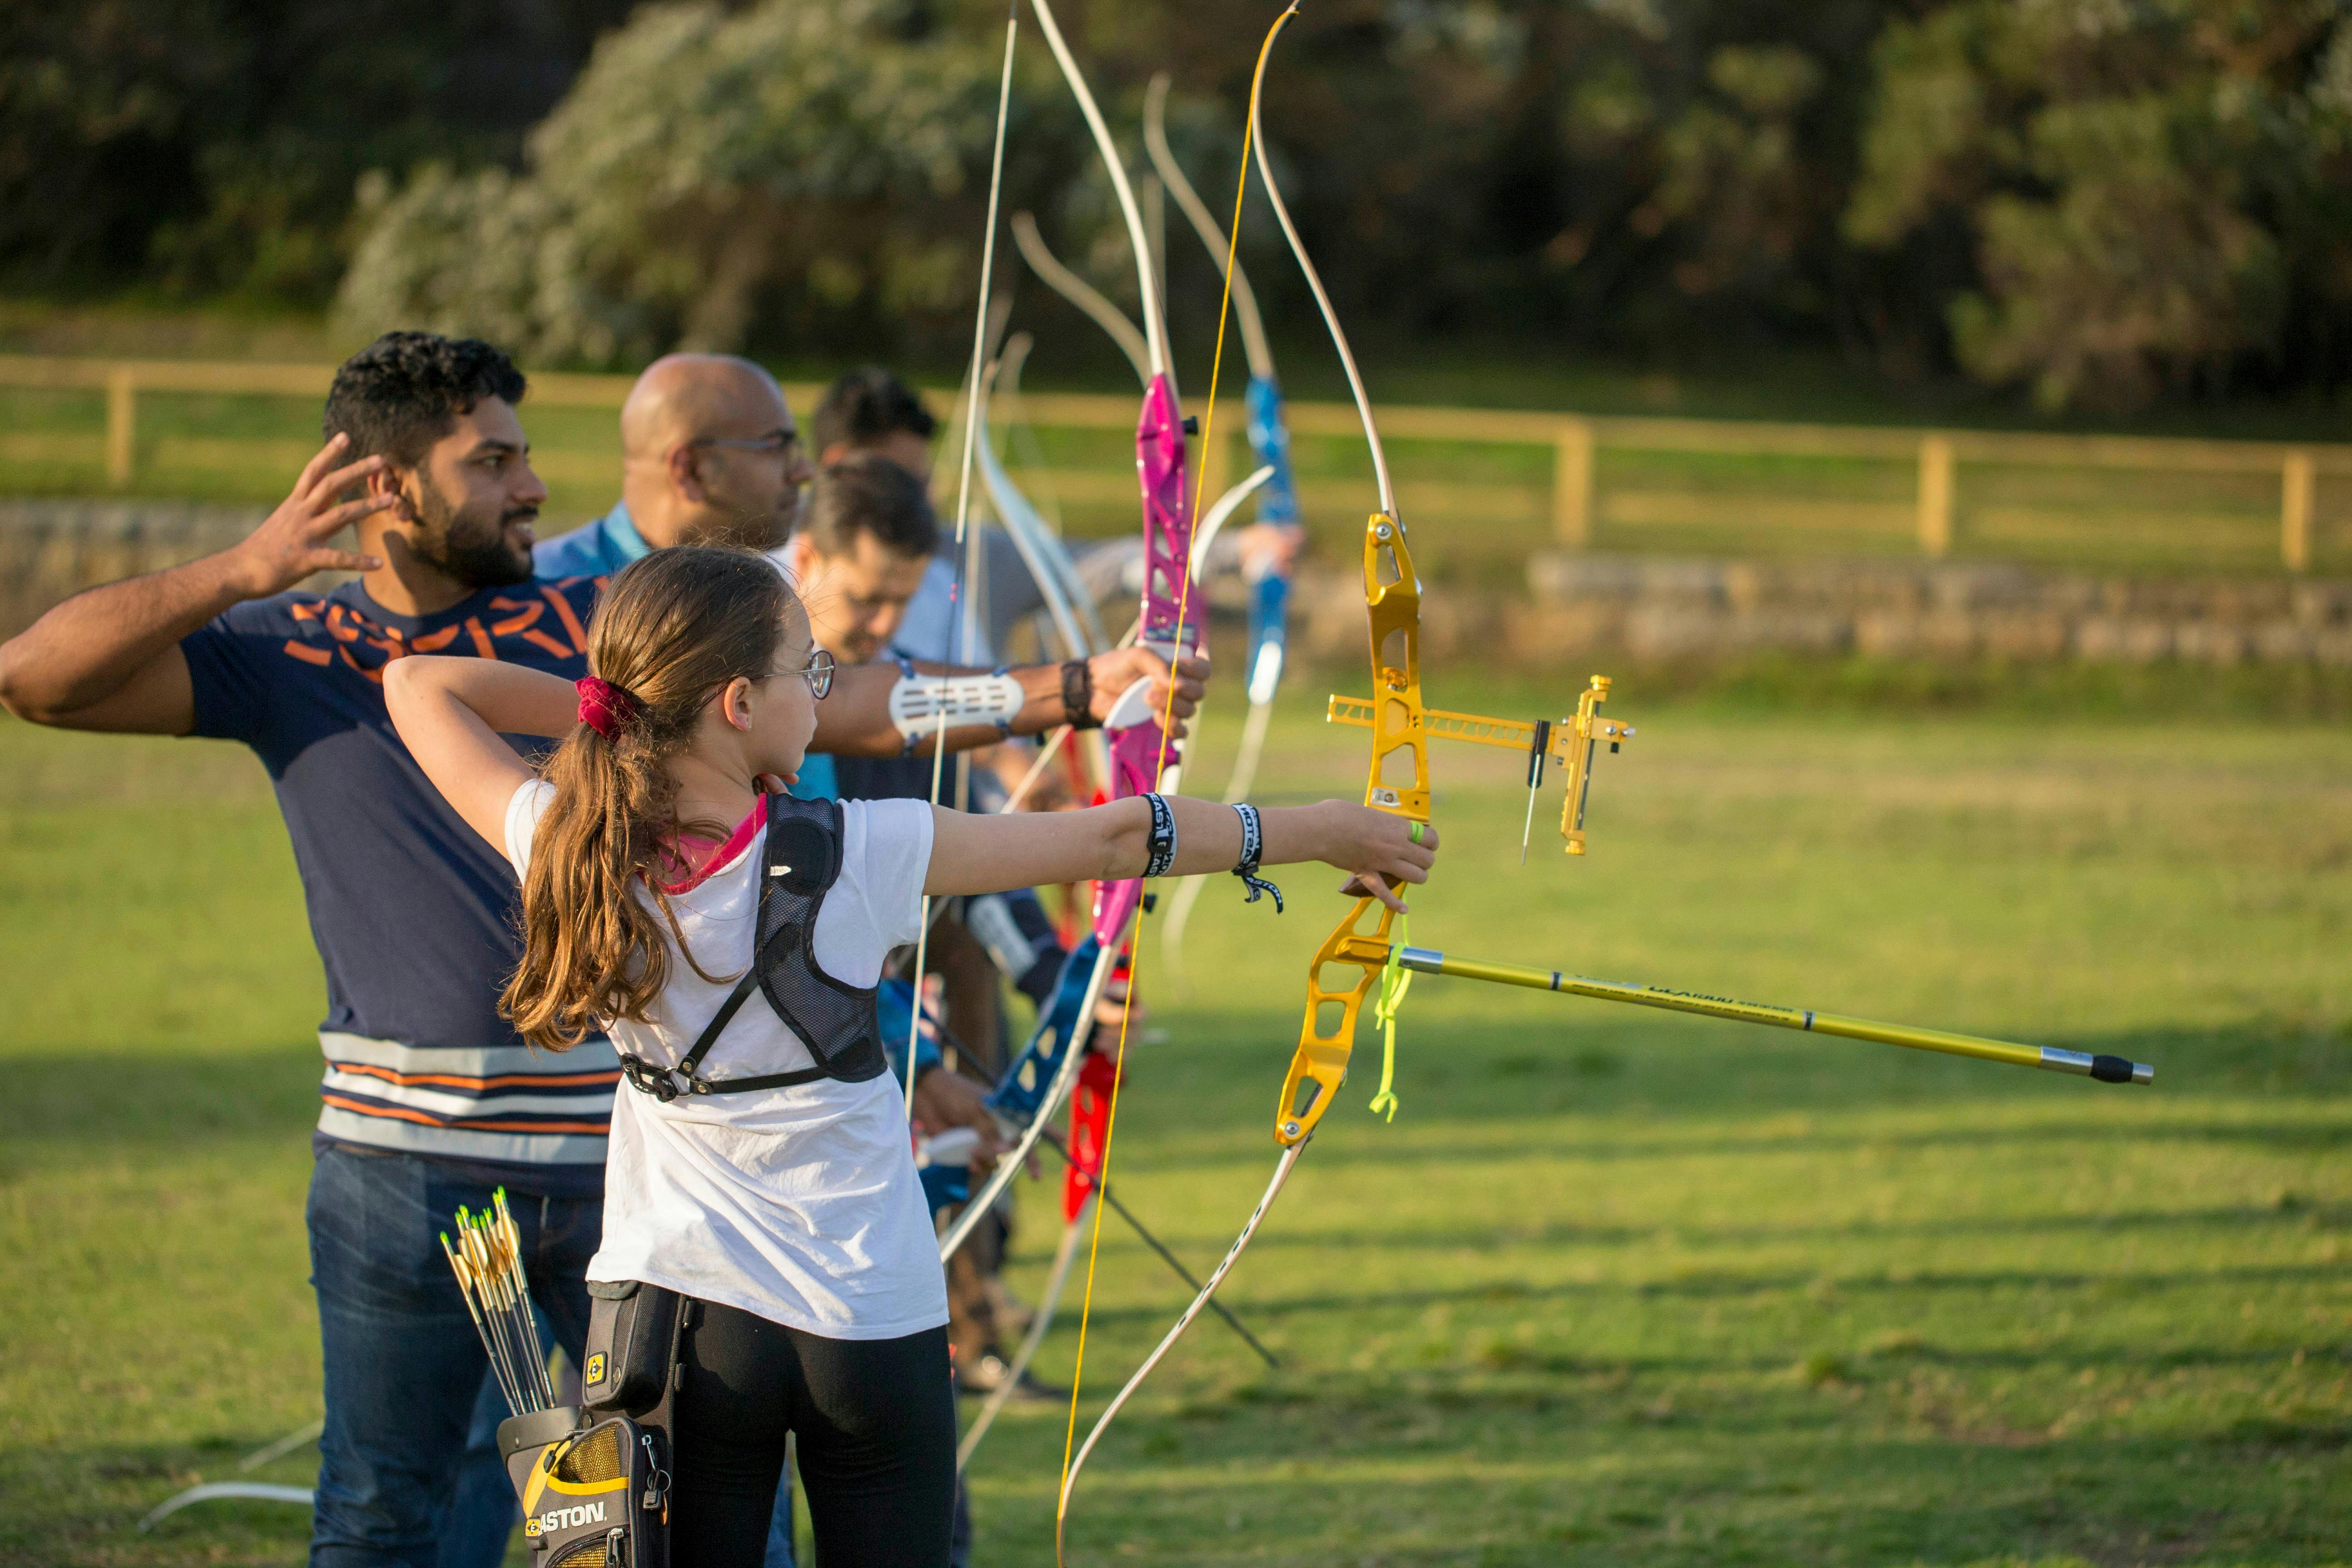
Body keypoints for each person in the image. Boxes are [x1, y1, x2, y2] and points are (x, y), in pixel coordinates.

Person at [0, 330, 1205, 1568]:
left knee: (654, 1530)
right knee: (390, 1513)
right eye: (493, 462)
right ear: (384, 485)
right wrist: (242, 570)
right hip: (399, 1160)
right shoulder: (296, 644)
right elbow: (35, 679)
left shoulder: (595, 623)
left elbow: (846, 697)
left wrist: (1069, 687)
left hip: (623, 1169)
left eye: (525, 456)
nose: (532, 485)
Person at [381, 544, 1440, 1566]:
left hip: (681, 1321)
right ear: (737, 703)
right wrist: (1320, 829)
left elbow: (419, 683)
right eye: (806, 672)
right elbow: (1117, 837)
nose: (822, 695)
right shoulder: (859, 849)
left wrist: (627, 712)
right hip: (868, 1319)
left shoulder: (563, 842)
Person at [533, 353, 813, 578]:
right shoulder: (544, 602)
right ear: (690, 471)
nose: (804, 471)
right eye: (777, 446)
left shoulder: (778, 590)